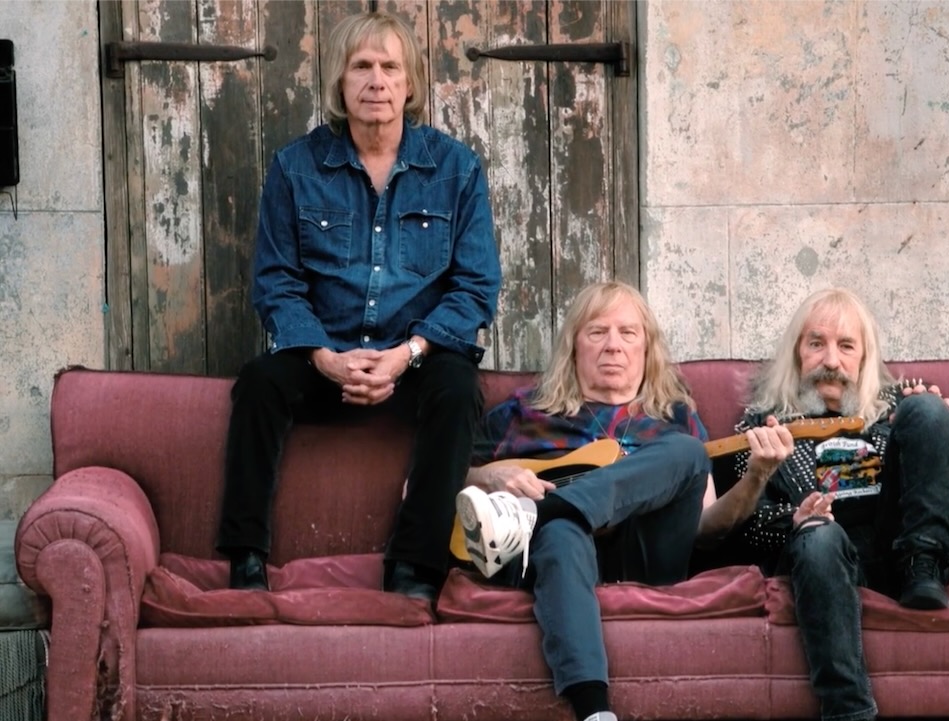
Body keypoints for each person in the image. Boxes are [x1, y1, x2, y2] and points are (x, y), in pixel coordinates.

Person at [215, 10, 501, 602]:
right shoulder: (295, 168)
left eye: (390, 67)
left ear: (409, 82)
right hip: (324, 356)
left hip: (414, 360)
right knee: (260, 383)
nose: (377, 81)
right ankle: (245, 561)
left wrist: (406, 354)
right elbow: (276, 282)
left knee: (458, 389)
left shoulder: (456, 169)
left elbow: (475, 287)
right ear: (340, 84)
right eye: (362, 67)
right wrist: (323, 356)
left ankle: (415, 570)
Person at [455, 281, 789, 721]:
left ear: (646, 348)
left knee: (687, 451)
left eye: (628, 333)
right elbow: (423, 488)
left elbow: (706, 529)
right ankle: (595, 712)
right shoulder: (523, 413)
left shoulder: (676, 417)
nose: (613, 345)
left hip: (648, 559)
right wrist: (488, 476)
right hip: (562, 561)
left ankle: (533, 514)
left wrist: (757, 475)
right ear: (574, 345)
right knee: (561, 531)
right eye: (597, 332)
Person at [727, 287, 949, 721]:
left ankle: (923, 570)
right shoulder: (762, 425)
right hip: (827, 557)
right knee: (818, 537)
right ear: (797, 353)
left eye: (846, 346)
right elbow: (745, 530)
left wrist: (941, 427)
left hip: (902, 544)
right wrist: (793, 518)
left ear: (863, 358)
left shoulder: (898, 405)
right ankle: (849, 713)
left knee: (928, 410)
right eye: (816, 343)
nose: (831, 360)